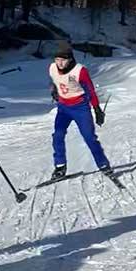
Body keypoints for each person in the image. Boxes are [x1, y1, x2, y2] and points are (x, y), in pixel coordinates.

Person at [48, 42, 112, 180]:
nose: (59, 63)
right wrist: (54, 90)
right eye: (57, 60)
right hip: (63, 108)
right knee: (57, 136)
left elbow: (91, 91)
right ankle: (60, 166)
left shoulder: (80, 71)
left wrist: (97, 109)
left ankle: (103, 165)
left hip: (80, 108)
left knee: (89, 137)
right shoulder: (52, 68)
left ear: (70, 59)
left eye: (63, 60)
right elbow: (55, 81)